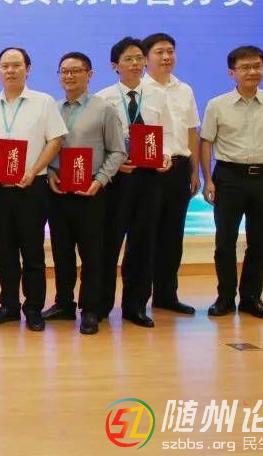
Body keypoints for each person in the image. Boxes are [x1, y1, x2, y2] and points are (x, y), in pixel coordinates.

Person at [201, 45, 263, 320]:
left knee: (261, 241)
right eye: (245, 67)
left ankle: (251, 298)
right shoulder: (217, 104)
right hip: (229, 177)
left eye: (257, 66)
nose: (252, 71)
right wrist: (208, 180)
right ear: (232, 72)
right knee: (225, 240)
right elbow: (206, 142)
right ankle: (224, 298)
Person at [0, 47, 66, 332]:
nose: (10, 70)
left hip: (32, 187)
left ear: (28, 69)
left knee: (32, 251)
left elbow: (56, 140)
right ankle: (8, 305)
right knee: (4, 251)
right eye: (5, 66)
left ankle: (33, 308)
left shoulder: (43, 102)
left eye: (16, 65)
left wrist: (34, 170)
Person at [94, 37, 173, 328]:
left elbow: (166, 133)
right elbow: (97, 141)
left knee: (143, 242)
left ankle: (136, 306)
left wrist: (165, 156)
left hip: (149, 178)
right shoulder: (103, 98)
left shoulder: (158, 95)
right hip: (116, 179)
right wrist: (113, 164)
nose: (136, 63)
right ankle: (100, 304)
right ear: (115, 65)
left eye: (139, 58)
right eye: (128, 59)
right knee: (108, 243)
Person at [44, 52, 126, 335]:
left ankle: (90, 308)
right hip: (58, 189)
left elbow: (118, 151)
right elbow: (47, 149)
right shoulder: (52, 109)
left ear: (89, 74)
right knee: (61, 251)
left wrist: (100, 180)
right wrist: (50, 173)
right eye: (64, 71)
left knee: (92, 253)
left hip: (91, 190)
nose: (69, 76)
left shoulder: (104, 109)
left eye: (76, 71)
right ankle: (63, 304)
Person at [141, 32, 202, 315]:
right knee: (146, 234)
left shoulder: (184, 89)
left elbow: (191, 133)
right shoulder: (139, 90)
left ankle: (167, 295)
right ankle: (138, 299)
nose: (166, 57)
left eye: (170, 51)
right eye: (159, 52)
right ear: (145, 59)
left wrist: (194, 171)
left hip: (179, 169)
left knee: (172, 235)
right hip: (149, 172)